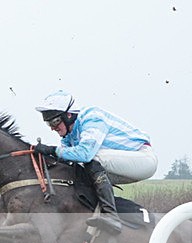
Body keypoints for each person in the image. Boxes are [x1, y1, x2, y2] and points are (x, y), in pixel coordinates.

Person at [32, 90, 157, 234]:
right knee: (78, 174)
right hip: (122, 164)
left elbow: (85, 154)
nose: (53, 128)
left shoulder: (91, 117)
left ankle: (111, 216)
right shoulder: (69, 136)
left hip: (143, 159)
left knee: (92, 160)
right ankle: (130, 211)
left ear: (69, 115)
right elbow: (66, 159)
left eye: (55, 121)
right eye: (49, 123)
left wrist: (51, 150)